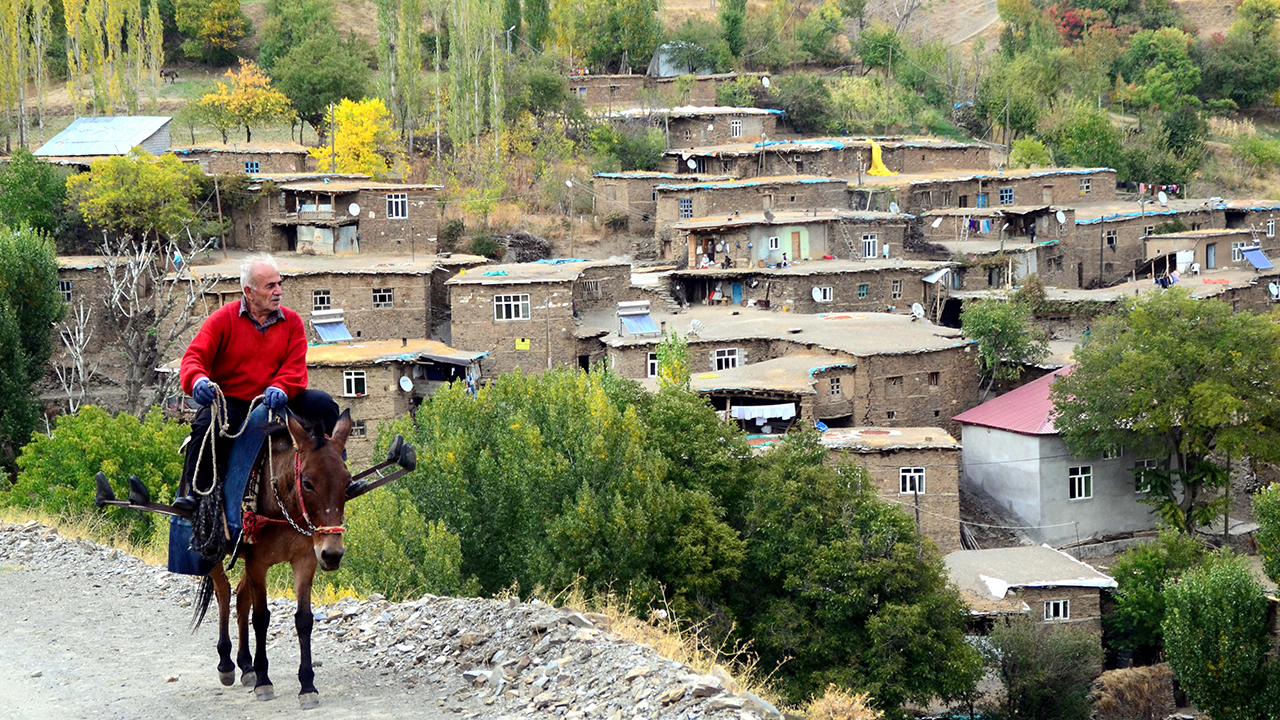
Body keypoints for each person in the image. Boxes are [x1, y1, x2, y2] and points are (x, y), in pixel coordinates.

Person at [173, 254, 339, 512]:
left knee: (324, 404)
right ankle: (198, 494)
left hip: (280, 397)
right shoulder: (222, 319)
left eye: (279, 284)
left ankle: (333, 468)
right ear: (248, 291)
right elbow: (194, 357)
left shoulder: (292, 322)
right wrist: (197, 381)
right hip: (236, 400)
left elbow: (295, 366)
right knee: (207, 423)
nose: (278, 291)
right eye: (270, 286)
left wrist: (281, 387)